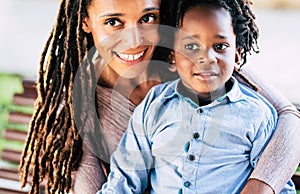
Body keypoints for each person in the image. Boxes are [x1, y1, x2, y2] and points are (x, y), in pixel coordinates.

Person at [18, 0, 300, 193]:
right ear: (86, 22)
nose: (135, 38)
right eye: (114, 22)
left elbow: (290, 118)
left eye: (148, 17)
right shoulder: (80, 106)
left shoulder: (199, 56)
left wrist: (259, 187)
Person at [98, 1, 296, 193]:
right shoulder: (154, 105)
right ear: (172, 56)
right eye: (191, 47)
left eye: (220, 46)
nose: (207, 57)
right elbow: (125, 179)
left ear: (237, 55)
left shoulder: (257, 114)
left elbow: (281, 187)